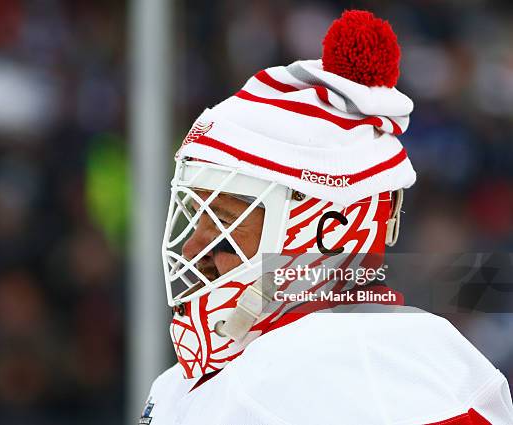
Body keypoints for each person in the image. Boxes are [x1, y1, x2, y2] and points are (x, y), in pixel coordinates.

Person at [141, 10, 513, 425]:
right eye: (197, 218)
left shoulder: (363, 369)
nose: (193, 248)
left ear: (329, 230)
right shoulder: (185, 381)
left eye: (225, 224)